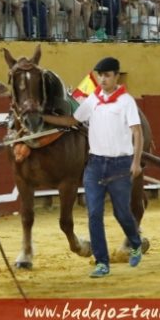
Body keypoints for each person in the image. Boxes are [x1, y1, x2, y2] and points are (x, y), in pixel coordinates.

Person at [42, 57, 144, 278]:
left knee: (121, 213)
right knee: (94, 214)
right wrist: (43, 117)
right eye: (100, 75)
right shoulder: (92, 100)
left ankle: (136, 242)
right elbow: (72, 121)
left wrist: (135, 162)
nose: (103, 79)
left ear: (116, 76)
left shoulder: (126, 101)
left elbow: (137, 132)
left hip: (120, 164)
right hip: (95, 164)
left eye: (107, 75)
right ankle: (102, 262)